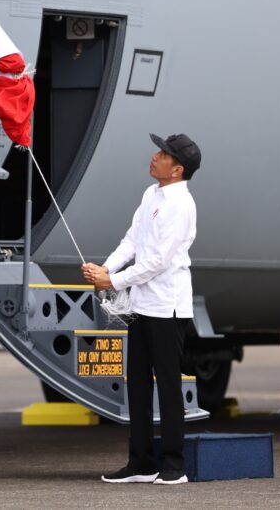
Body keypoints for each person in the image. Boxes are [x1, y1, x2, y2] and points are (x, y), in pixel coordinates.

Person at [82, 133, 201, 486]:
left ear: (177, 169)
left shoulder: (182, 205)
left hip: (168, 306)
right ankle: (142, 462)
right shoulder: (151, 194)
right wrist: (105, 270)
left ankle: (173, 465)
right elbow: (132, 240)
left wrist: (113, 282)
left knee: (167, 385)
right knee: (136, 382)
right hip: (143, 303)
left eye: (163, 154)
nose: (155, 156)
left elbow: (158, 261)